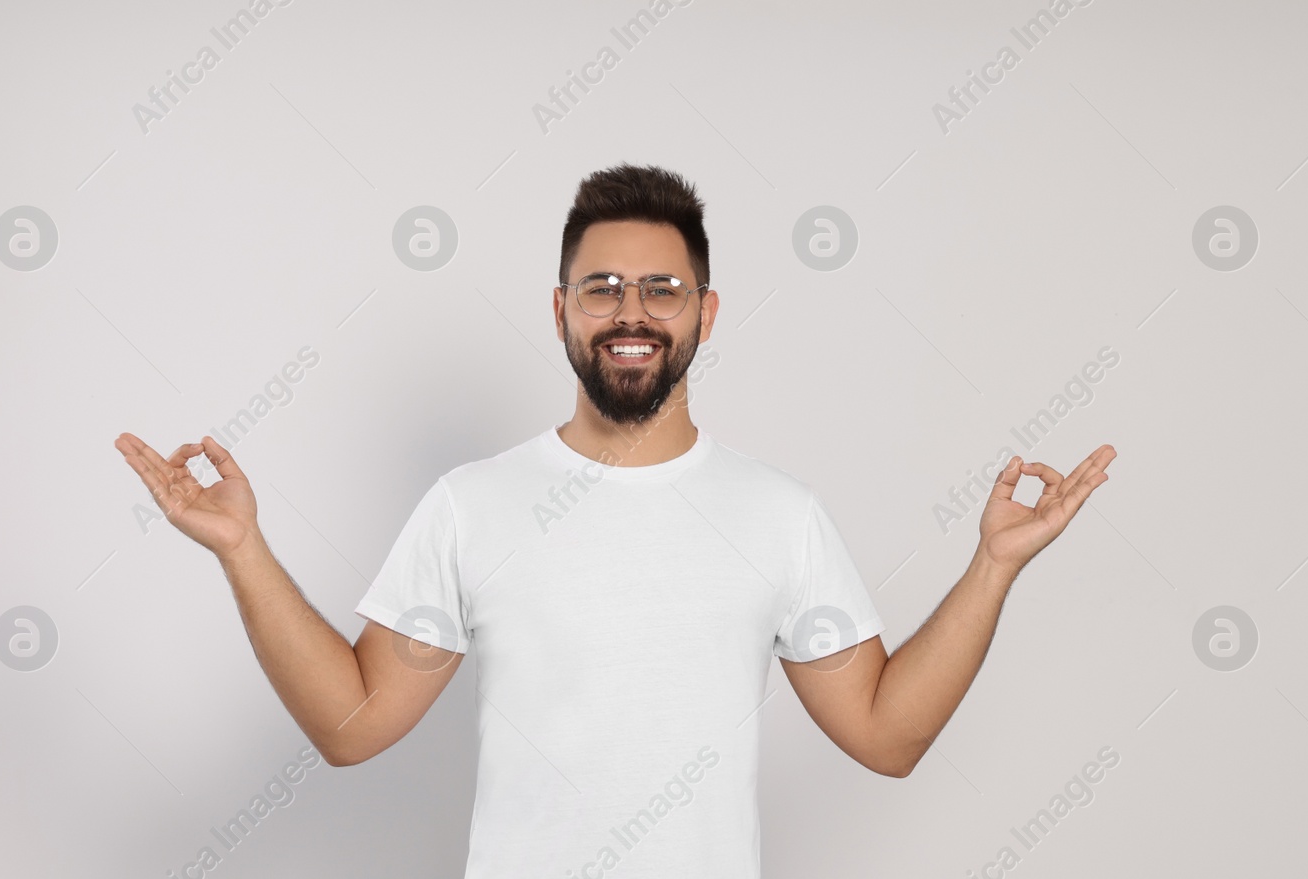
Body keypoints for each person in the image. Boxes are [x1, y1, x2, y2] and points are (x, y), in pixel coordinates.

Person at [114, 163, 1116, 877]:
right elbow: (353, 723)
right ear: (560, 312)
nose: (629, 312)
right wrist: (242, 550)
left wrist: (992, 566)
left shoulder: (777, 516)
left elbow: (884, 735)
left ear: (705, 314)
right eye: (602, 289)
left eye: (659, 289)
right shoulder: (475, 506)